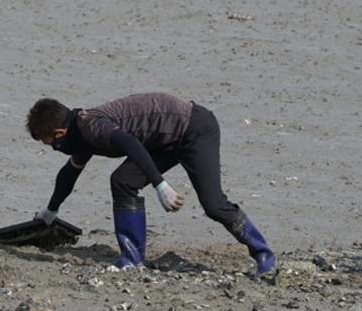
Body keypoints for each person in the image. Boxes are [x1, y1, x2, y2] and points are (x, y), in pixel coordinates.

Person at [26, 92, 276, 276]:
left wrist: (161, 186)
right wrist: (51, 210)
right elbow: (69, 174)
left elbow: (130, 144)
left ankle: (263, 254)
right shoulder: (79, 136)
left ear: (59, 134)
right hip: (162, 141)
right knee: (122, 181)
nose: (52, 149)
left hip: (194, 129)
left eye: (48, 143)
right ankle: (132, 258)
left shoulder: (91, 126)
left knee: (213, 204)